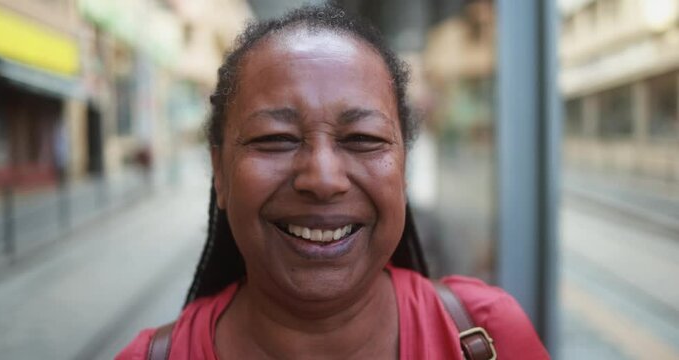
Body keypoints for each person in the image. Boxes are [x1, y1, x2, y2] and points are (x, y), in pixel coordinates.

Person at [117, 4, 549, 360]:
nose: (322, 179)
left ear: (403, 169)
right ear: (220, 173)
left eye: (363, 139)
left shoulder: (491, 332)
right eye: (275, 139)